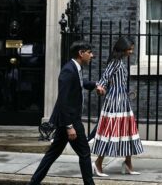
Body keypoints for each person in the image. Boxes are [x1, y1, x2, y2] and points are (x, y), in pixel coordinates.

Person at [28, 41, 105, 185]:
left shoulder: (75, 68)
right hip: (69, 119)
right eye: (89, 52)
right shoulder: (68, 71)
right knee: (84, 152)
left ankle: (33, 182)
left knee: (53, 154)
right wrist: (69, 126)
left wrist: (95, 85)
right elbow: (63, 100)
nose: (92, 55)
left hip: (67, 119)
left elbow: (80, 83)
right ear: (81, 53)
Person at [91, 36, 143, 177]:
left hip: (122, 99)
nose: (131, 51)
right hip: (114, 101)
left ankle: (128, 163)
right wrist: (100, 87)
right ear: (123, 48)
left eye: (132, 49)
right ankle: (98, 163)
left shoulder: (119, 62)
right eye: (130, 49)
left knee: (127, 131)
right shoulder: (115, 62)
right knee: (110, 131)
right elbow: (104, 78)